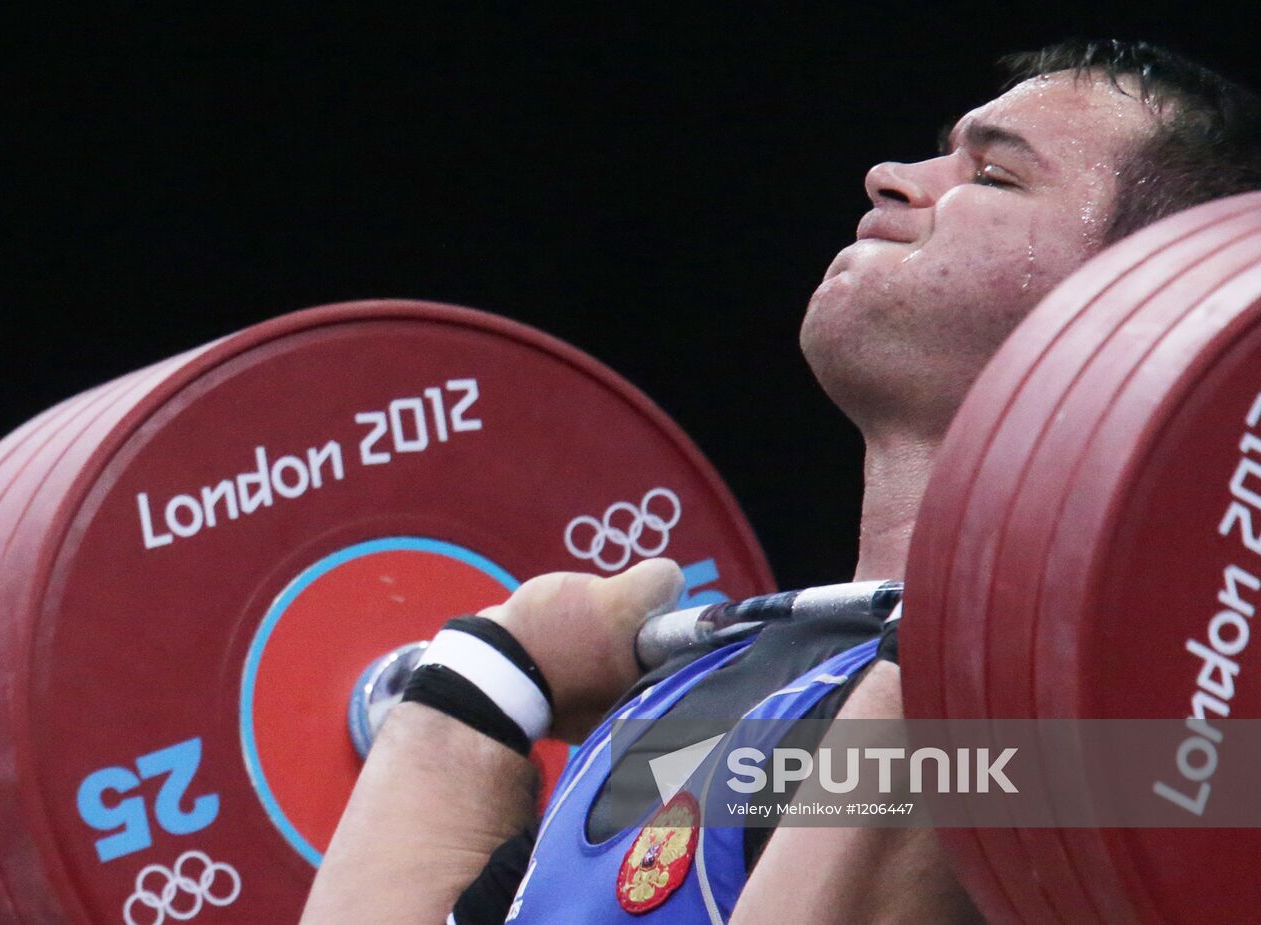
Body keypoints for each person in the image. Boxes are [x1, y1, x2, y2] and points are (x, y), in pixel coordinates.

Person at [300, 40, 1261, 924]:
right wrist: (487, 680)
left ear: (1151, 282)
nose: (892, 175)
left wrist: (988, 618)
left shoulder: (1150, 742)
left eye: (995, 173)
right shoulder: (694, 710)